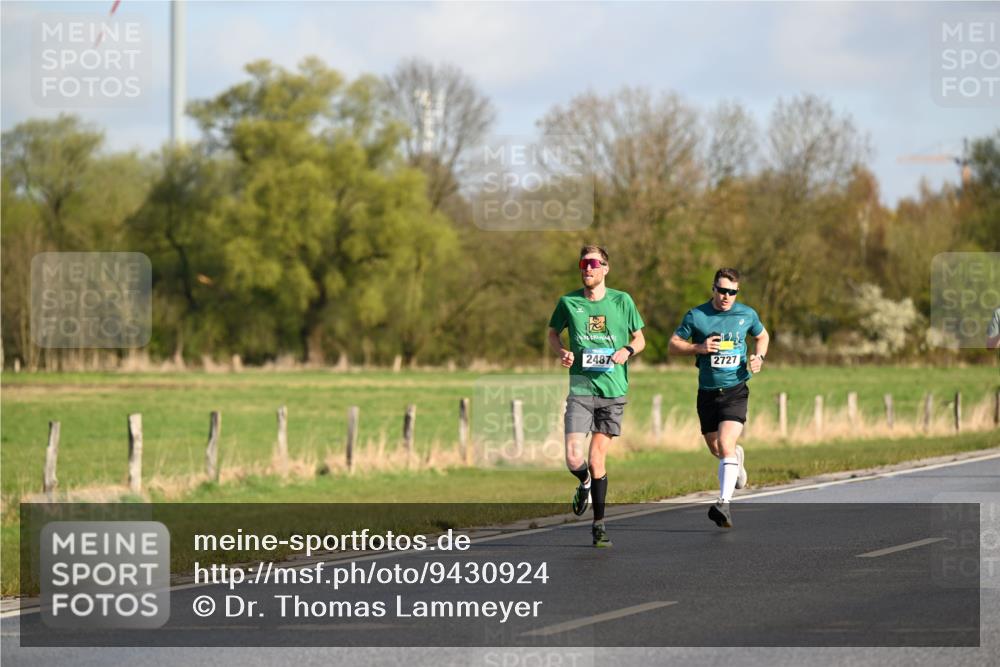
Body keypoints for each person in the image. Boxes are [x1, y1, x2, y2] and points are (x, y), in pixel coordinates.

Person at [548, 245, 645, 547]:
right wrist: (561, 351)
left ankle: (599, 525)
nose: (587, 268)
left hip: (613, 392)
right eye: (583, 263)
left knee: (595, 457)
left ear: (605, 268)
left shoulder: (622, 301)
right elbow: (552, 332)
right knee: (573, 457)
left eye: (593, 263)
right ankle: (585, 484)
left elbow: (639, 338)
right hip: (580, 389)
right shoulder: (569, 302)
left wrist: (627, 350)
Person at [668, 268, 769, 528]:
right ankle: (737, 457)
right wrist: (698, 348)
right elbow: (672, 344)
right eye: (722, 290)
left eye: (732, 292)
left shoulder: (747, 314)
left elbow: (762, 336)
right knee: (717, 449)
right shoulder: (697, 315)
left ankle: (723, 504)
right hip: (707, 392)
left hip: (735, 389)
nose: (726, 296)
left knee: (725, 443)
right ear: (713, 288)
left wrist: (759, 357)